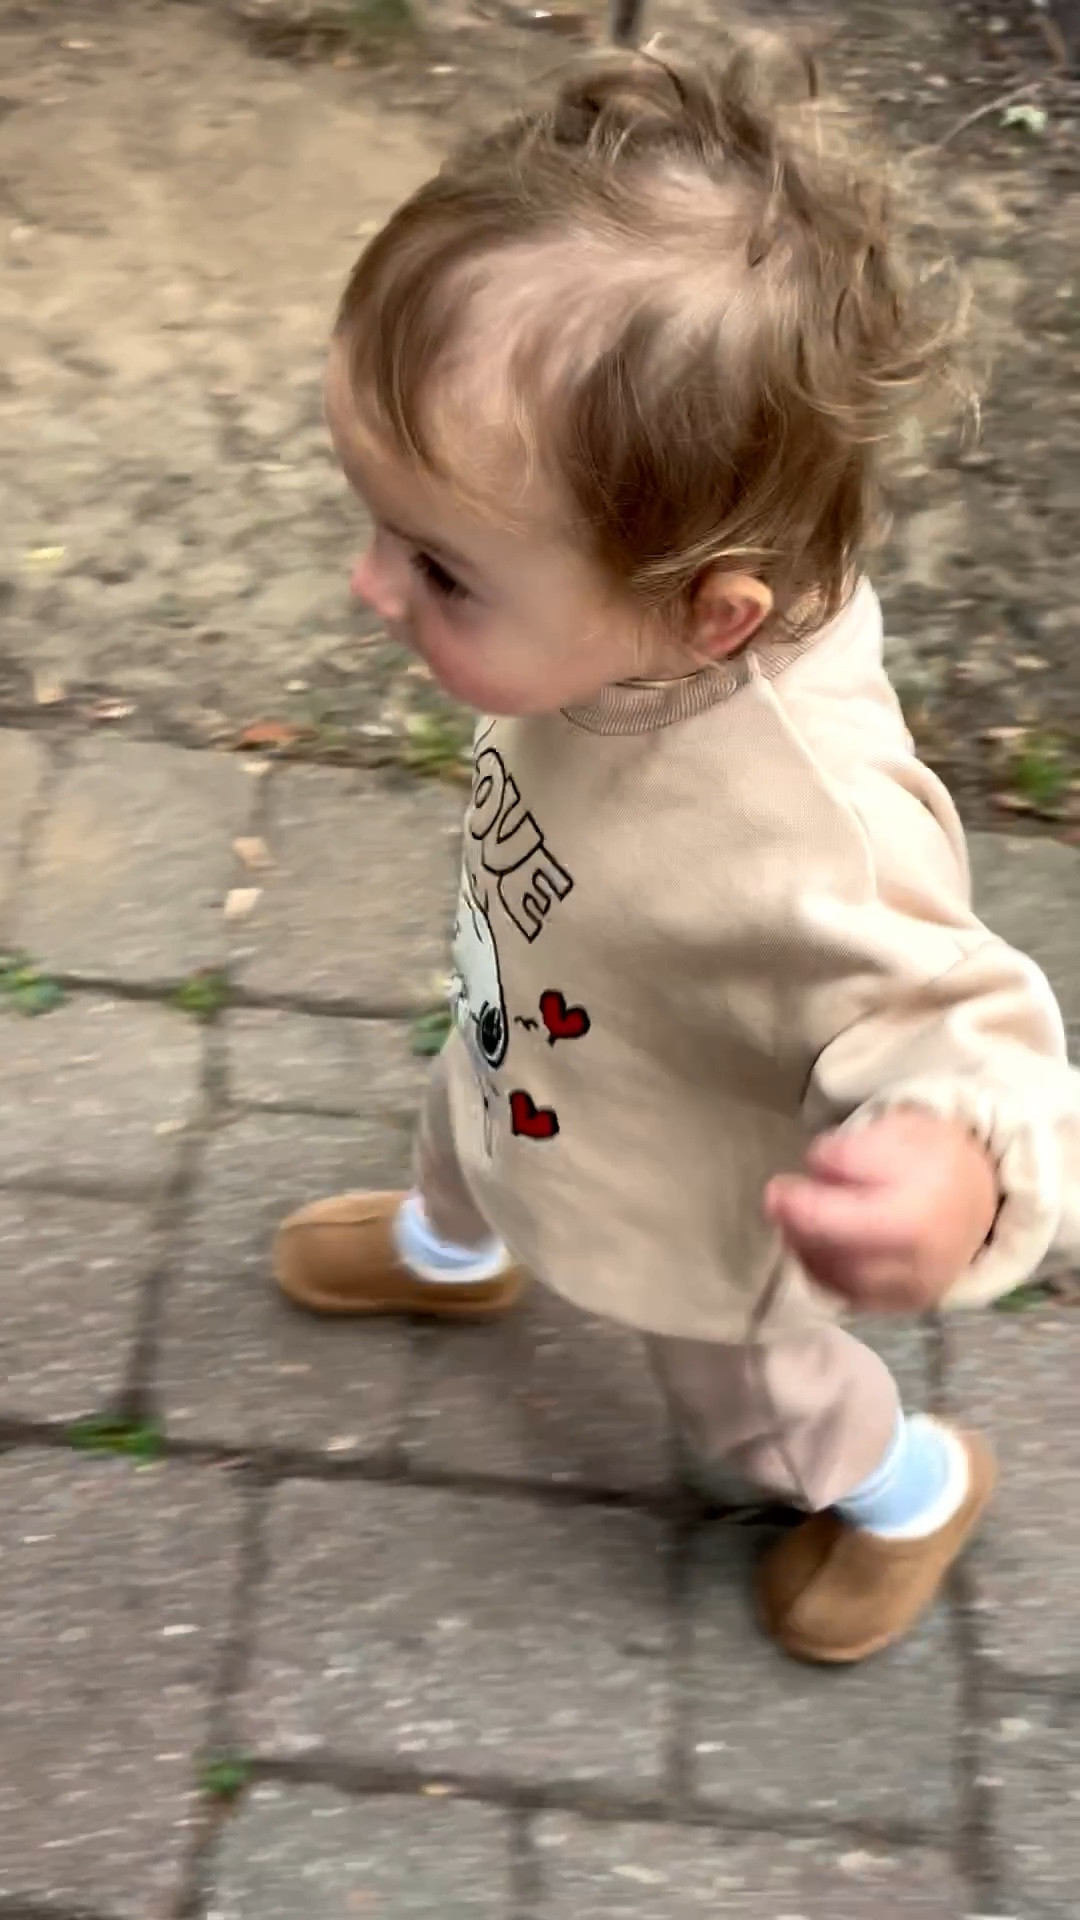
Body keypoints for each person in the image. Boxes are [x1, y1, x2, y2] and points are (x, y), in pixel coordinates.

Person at [273, 43, 1080, 1664]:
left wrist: (954, 1164)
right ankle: (457, 1245)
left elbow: (969, 1021)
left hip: (708, 1209)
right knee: (465, 1102)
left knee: (758, 1401)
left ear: (701, 611)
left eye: (438, 567)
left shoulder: (813, 823)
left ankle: (908, 1490)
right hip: (542, 1034)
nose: (376, 591)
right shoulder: (617, 628)